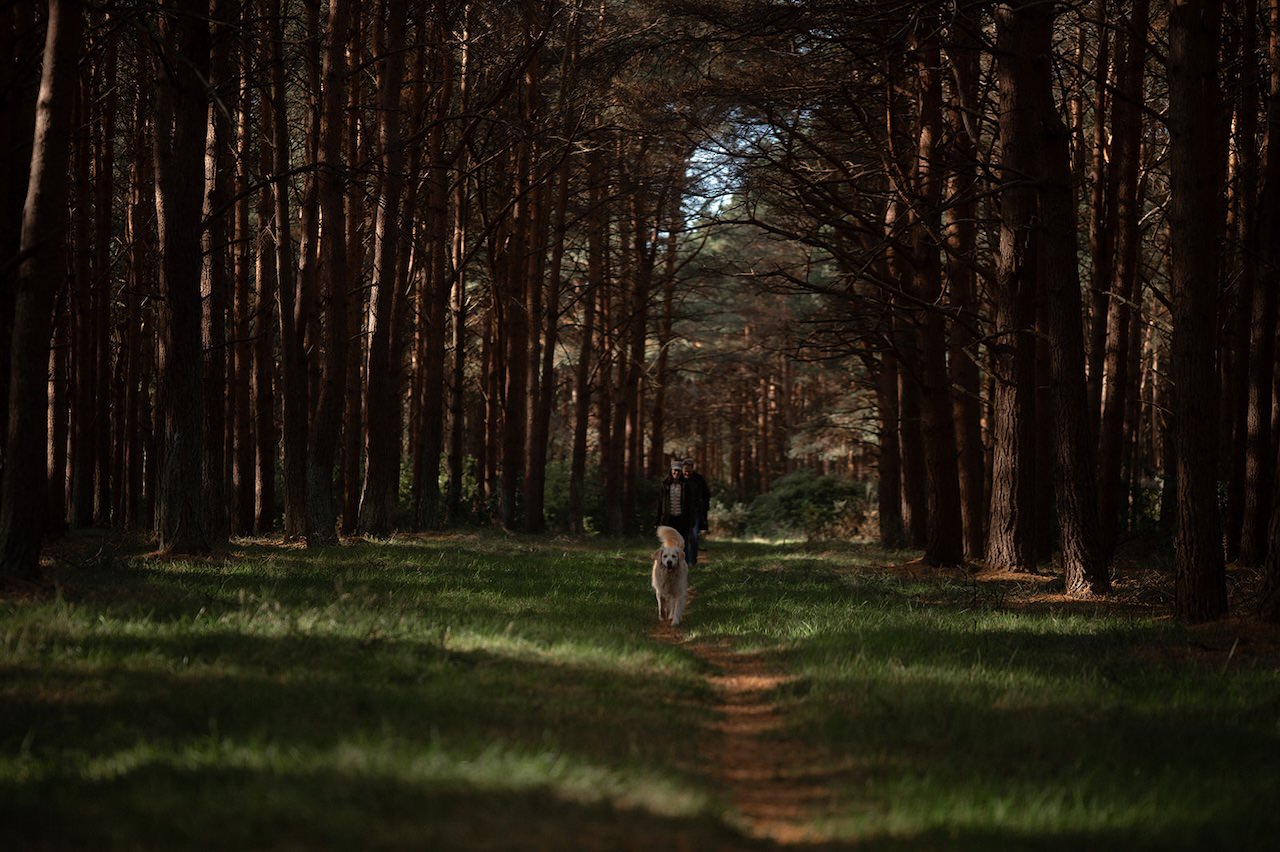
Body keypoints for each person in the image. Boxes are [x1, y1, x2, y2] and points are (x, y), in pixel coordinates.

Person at [656, 460, 692, 560]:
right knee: (668, 542)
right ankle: (666, 563)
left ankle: (683, 563)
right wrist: (658, 520)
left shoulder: (686, 485)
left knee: (682, 542)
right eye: (674, 470)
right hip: (668, 518)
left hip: (682, 519)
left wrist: (690, 521)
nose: (676, 473)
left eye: (679, 471)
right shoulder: (665, 485)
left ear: (681, 472)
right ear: (671, 471)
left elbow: (690, 505)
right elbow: (660, 504)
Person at [681, 458, 711, 566]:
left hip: (696, 512)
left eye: (689, 471)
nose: (687, 473)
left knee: (694, 537)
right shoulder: (679, 479)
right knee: (683, 538)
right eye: (685, 471)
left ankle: (692, 561)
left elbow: (706, 494)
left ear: (693, 468)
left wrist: (704, 508)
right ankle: (684, 560)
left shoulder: (699, 479)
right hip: (682, 513)